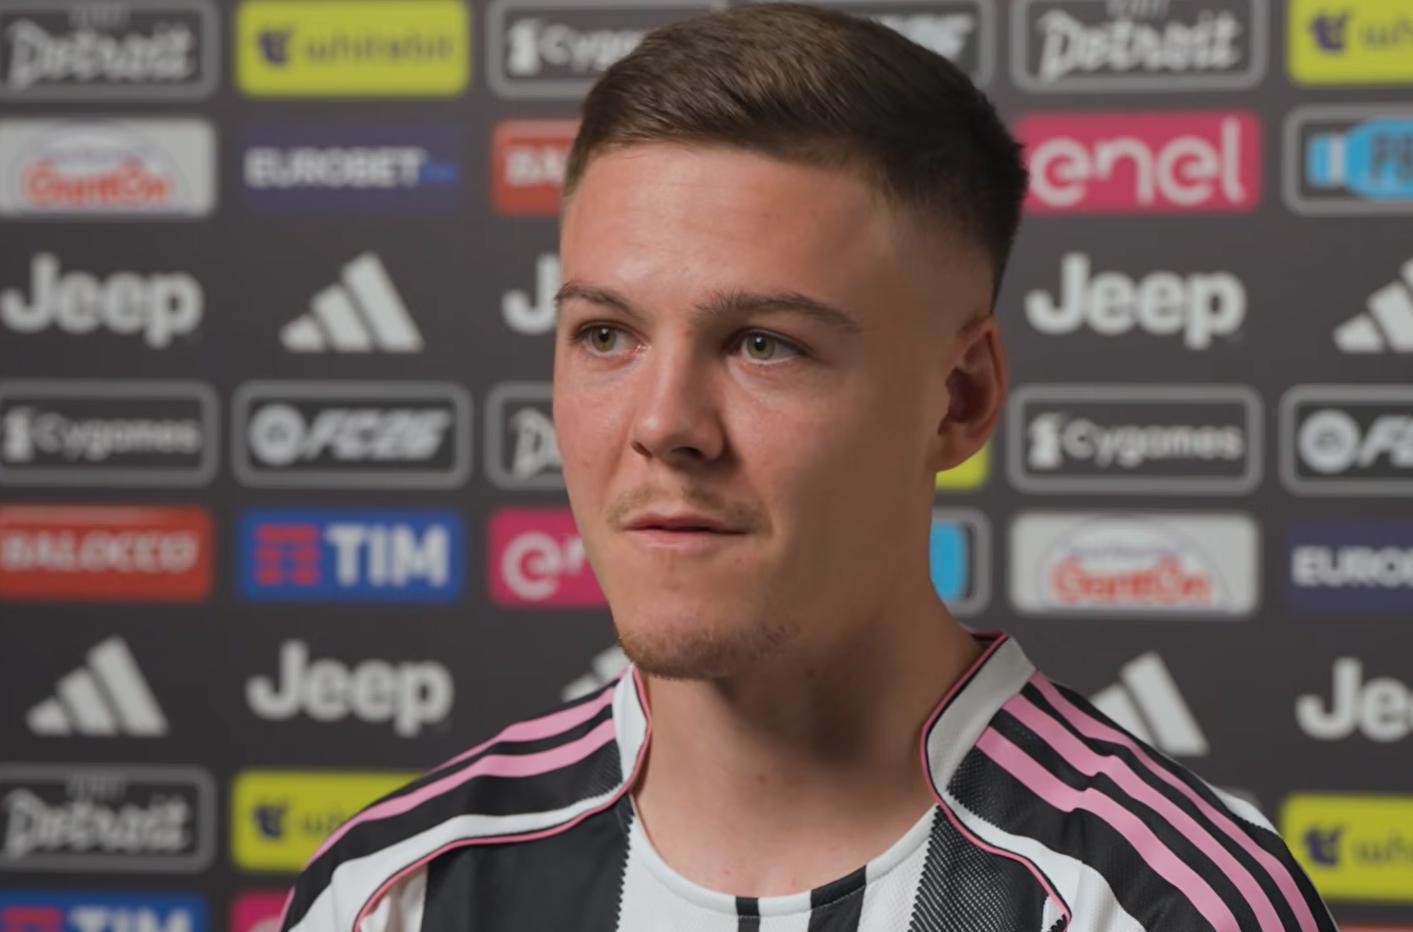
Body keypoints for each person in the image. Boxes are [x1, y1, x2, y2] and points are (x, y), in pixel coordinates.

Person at [278, 5, 1336, 930]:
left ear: (959, 397)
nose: (663, 423)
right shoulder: (393, 895)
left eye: (763, 343)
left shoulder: (1161, 907)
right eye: (606, 334)